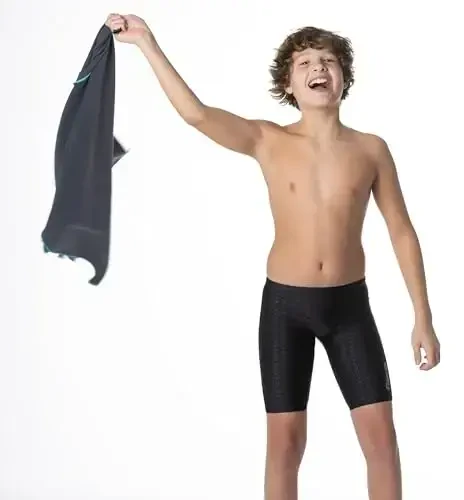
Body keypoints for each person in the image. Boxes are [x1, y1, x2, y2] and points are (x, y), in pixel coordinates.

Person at [105, 13, 441, 500]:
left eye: (328, 60)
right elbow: (196, 114)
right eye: (305, 62)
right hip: (286, 308)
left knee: (381, 441)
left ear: (344, 77)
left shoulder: (371, 149)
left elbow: (402, 232)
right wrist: (147, 43)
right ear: (288, 83)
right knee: (285, 445)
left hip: (349, 308)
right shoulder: (268, 139)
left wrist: (422, 317)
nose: (318, 67)